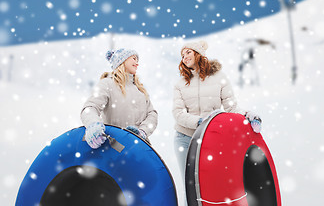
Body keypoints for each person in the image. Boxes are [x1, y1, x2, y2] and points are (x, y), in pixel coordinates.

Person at [172, 41, 262, 191]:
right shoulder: (180, 84)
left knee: (212, 185)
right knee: (191, 187)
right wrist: (200, 122)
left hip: (210, 137)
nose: (184, 57)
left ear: (198, 53)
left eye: (188, 52)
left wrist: (247, 115)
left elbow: (231, 107)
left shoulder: (219, 77)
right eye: (182, 55)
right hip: (185, 138)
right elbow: (178, 113)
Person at [81, 48, 157, 149]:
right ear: (122, 60)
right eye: (134, 58)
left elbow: (152, 114)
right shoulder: (107, 84)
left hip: (140, 147)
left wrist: (142, 132)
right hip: (115, 148)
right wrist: (93, 124)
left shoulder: (140, 90)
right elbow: (90, 107)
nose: (137, 63)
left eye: (137, 61)